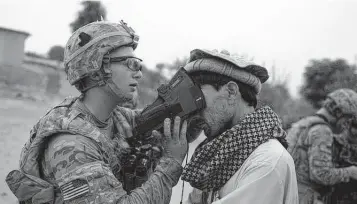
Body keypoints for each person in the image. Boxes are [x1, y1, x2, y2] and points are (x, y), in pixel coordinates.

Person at [5, 20, 188, 204]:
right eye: (130, 63)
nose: (138, 73)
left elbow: (161, 122)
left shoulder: (115, 118)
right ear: (95, 71)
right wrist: (171, 162)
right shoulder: (71, 146)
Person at [181, 49, 299, 204]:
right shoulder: (218, 155)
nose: (195, 109)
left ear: (231, 92)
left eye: (199, 98)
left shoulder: (266, 163)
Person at [286, 88, 357, 204]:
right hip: (305, 196)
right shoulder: (322, 131)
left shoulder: (304, 123)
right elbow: (320, 174)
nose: (347, 124)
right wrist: (351, 171)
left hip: (291, 192)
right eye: (347, 118)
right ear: (338, 111)